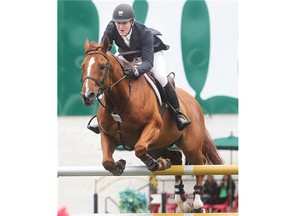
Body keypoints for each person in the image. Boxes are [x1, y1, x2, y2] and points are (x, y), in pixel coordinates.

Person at [88, 3, 191, 134]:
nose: (120, 26)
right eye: (118, 23)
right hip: (127, 54)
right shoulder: (111, 27)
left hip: (151, 54)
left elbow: (148, 62)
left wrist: (135, 70)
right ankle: (101, 117)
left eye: (124, 23)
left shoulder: (145, 32)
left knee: (159, 76)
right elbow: (103, 50)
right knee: (110, 74)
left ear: (132, 22)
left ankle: (178, 114)